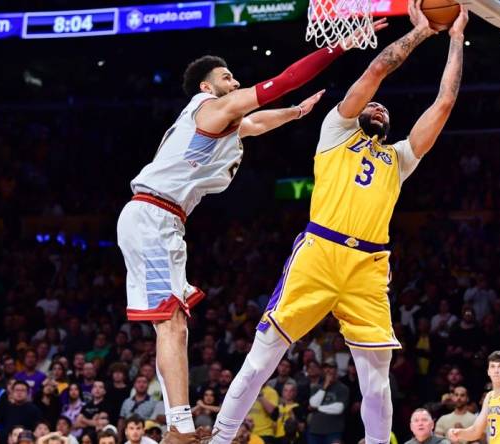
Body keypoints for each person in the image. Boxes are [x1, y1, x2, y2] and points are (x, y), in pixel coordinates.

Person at [115, 19, 383, 444]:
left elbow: (257, 123)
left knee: (176, 323)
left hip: (166, 221)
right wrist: (341, 47)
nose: (234, 80)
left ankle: (178, 426)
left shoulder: (225, 125)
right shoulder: (211, 109)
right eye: (226, 77)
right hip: (151, 216)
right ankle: (179, 430)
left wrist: (296, 114)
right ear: (206, 88)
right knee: (170, 322)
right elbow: (281, 82)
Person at [211, 2, 468, 444]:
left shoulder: (399, 158)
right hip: (320, 251)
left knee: (376, 379)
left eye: (386, 110)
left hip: (368, 266)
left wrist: (457, 37)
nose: (379, 108)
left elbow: (444, 102)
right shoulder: (335, 131)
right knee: (262, 359)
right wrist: (422, 32)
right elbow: (376, 72)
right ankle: (219, 438)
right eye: (375, 106)